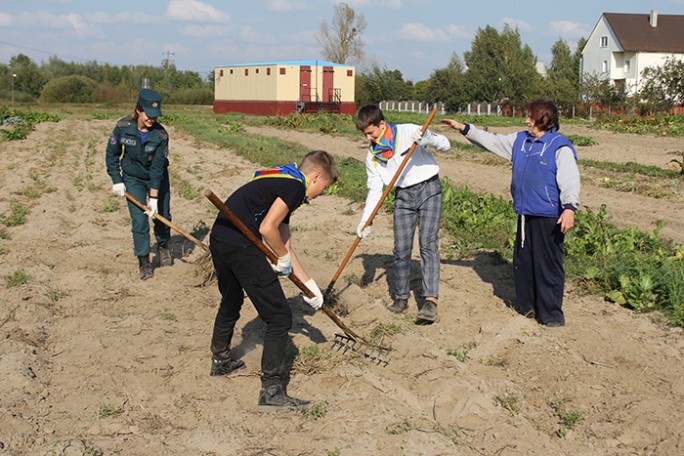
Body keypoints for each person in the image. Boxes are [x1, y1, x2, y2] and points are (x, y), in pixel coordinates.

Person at [208, 150, 338, 411]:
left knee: (231, 299)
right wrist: (280, 256)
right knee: (279, 317)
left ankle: (220, 360)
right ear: (315, 177)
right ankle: (272, 390)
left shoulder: (283, 179)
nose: (319, 195)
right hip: (240, 246)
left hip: (220, 238)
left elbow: (284, 239)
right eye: (322, 189)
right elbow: (268, 229)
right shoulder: (293, 187)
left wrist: (309, 285)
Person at [441, 99, 581, 327]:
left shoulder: (559, 146)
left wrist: (569, 209)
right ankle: (527, 307)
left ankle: (551, 315)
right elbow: (492, 141)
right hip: (525, 213)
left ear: (543, 119)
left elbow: (570, 180)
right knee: (524, 262)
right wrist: (465, 128)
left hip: (548, 217)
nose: (526, 120)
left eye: (530, 116)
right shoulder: (521, 141)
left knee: (548, 265)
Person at [355, 104, 451, 324]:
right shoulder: (372, 157)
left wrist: (428, 140)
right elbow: (375, 191)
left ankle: (430, 301)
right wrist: (365, 220)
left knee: (428, 244)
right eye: (365, 135)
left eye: (371, 133)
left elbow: (446, 145)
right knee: (401, 248)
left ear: (382, 124)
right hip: (403, 197)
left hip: (429, 190)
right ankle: (400, 298)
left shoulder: (409, 131)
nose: (369, 138)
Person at [106, 88, 172, 280]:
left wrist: (153, 197)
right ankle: (143, 260)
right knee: (139, 220)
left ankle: (163, 245)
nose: (152, 119)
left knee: (162, 214)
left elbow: (157, 168)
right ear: (138, 110)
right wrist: (116, 180)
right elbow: (111, 154)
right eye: (148, 115)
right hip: (132, 178)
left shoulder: (161, 135)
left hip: (157, 179)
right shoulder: (123, 127)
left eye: (155, 115)